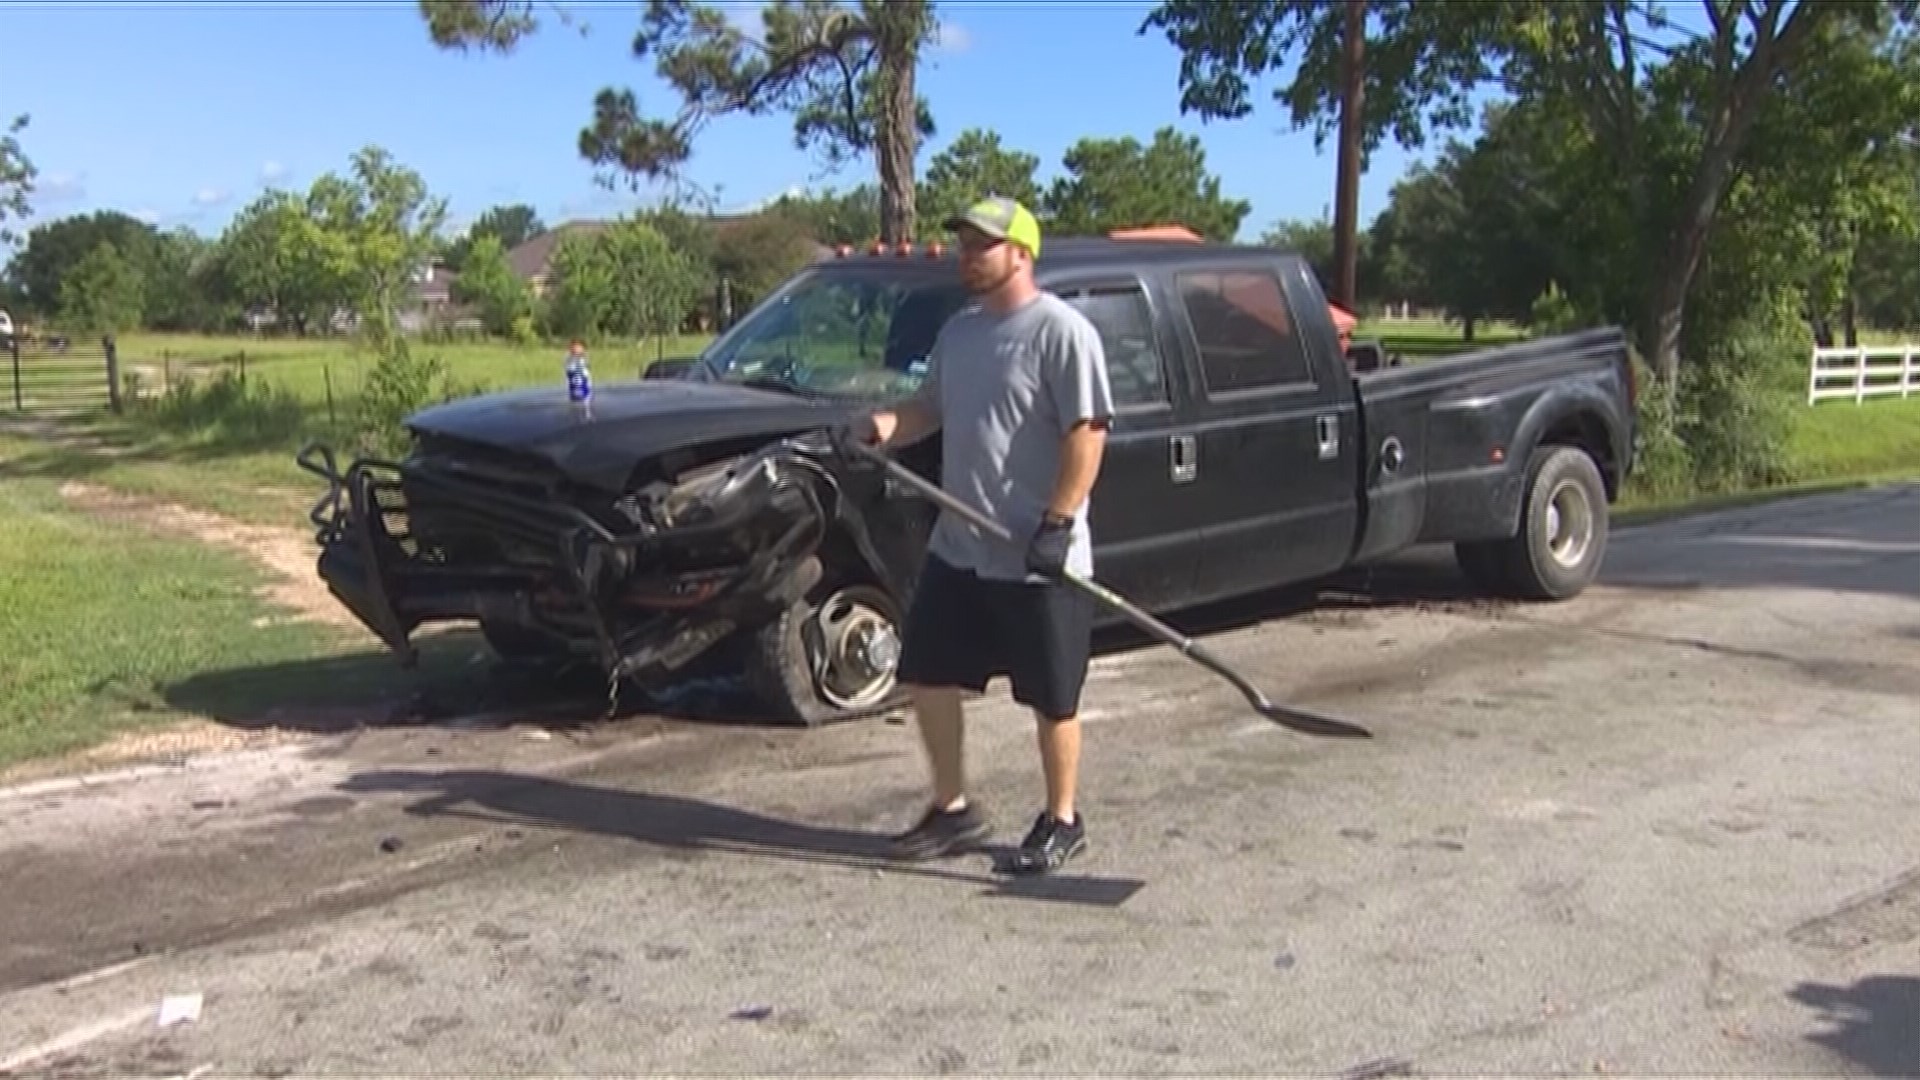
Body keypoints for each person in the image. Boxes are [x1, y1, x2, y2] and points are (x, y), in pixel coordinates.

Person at [837, 196, 1116, 874]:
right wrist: (879, 427)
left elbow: (1088, 433)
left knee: (1053, 697)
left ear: (1020, 253)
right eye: (963, 245)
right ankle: (952, 807)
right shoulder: (960, 334)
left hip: (1036, 554)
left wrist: (1058, 520)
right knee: (926, 673)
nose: (967, 256)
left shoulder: (1062, 333)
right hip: (961, 546)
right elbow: (927, 410)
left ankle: (1062, 818)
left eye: (980, 246)